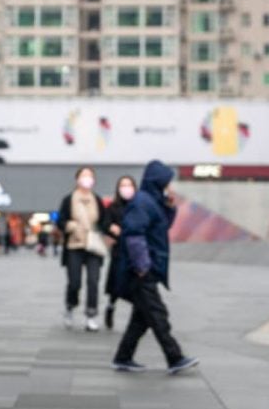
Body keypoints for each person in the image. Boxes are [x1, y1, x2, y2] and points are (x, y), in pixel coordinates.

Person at [111, 160, 199, 375]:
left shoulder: (152, 202)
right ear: (158, 181)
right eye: (167, 182)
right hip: (141, 271)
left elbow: (160, 228)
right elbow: (133, 234)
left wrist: (169, 208)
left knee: (141, 318)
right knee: (158, 314)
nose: (170, 186)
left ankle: (123, 357)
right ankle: (174, 357)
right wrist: (142, 266)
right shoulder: (142, 202)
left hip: (147, 268)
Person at [57, 167, 107, 331]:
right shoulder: (69, 199)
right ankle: (70, 306)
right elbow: (60, 220)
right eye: (84, 176)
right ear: (77, 179)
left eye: (90, 176)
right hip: (74, 245)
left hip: (93, 246)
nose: (87, 179)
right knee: (74, 282)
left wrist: (105, 229)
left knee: (93, 281)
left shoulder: (97, 200)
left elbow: (105, 221)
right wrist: (70, 225)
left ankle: (91, 315)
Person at [101, 175, 137, 330]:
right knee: (116, 284)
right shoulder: (113, 207)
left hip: (135, 251)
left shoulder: (138, 206)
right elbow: (105, 223)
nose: (126, 188)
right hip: (119, 251)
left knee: (136, 285)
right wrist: (111, 229)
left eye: (129, 185)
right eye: (123, 185)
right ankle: (110, 306)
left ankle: (138, 314)